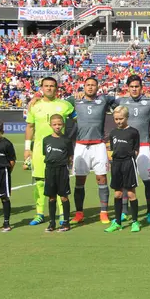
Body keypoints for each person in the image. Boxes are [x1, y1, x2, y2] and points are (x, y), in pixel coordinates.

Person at [113, 75, 150, 224]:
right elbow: (104, 101)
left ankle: (149, 212)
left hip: (143, 147)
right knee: (123, 182)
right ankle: (124, 211)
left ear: (141, 87)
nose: (134, 89)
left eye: (137, 86)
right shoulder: (121, 101)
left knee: (147, 180)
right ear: (127, 88)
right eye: (132, 86)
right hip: (125, 148)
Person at [25, 76, 75, 225]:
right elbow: (30, 127)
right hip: (40, 149)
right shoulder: (35, 105)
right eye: (46, 86)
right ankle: (39, 213)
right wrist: (28, 148)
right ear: (42, 88)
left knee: (60, 182)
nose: (49, 88)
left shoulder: (65, 105)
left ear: (56, 88)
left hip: (60, 149)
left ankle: (61, 214)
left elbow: (79, 118)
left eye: (52, 86)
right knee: (40, 182)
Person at [67, 77, 115, 224]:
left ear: (97, 87)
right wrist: (35, 99)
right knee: (80, 179)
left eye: (93, 85)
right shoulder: (74, 100)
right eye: (87, 85)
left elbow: (123, 101)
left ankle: (104, 212)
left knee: (102, 178)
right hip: (81, 146)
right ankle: (79, 213)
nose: (90, 87)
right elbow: (58, 103)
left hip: (98, 145)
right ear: (83, 86)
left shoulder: (104, 100)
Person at [104, 106, 141, 233]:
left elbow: (136, 149)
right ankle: (118, 222)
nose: (119, 121)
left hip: (128, 163)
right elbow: (113, 149)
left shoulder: (133, 132)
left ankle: (135, 222)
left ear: (126, 118)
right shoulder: (113, 132)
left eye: (121, 118)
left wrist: (130, 159)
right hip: (116, 164)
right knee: (117, 193)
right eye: (116, 119)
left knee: (131, 193)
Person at [42, 115, 74, 233]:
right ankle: (52, 223)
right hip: (50, 170)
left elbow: (70, 156)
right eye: (54, 124)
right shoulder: (46, 140)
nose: (57, 127)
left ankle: (66, 222)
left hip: (62, 170)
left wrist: (67, 166)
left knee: (64, 196)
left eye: (59, 124)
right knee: (51, 197)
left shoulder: (66, 140)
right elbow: (46, 155)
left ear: (63, 125)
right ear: (50, 125)